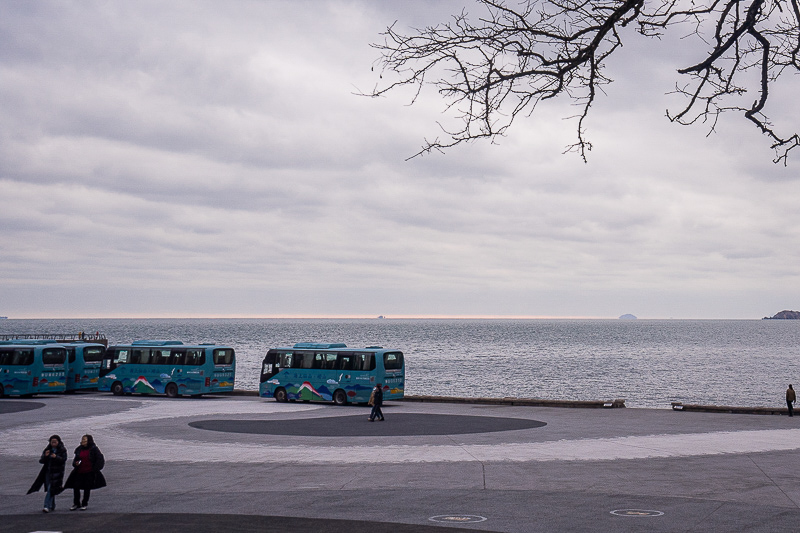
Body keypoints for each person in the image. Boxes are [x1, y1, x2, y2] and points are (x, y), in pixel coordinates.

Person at [63, 434, 106, 511]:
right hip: (79, 471)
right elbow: (75, 459)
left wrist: (95, 469)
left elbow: (100, 459)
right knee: (76, 487)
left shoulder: (94, 449)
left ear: (89, 441)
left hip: (89, 472)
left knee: (87, 488)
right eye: (82, 440)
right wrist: (75, 463)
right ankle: (76, 503)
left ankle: (84, 503)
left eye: (85, 440)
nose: (83, 441)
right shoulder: (79, 449)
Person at [27, 434, 67, 513]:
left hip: (57, 473)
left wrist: (56, 457)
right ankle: (52, 505)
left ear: (58, 442)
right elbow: (41, 461)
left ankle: (46, 506)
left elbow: (64, 459)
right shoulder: (48, 449)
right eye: (52, 442)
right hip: (47, 472)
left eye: (55, 442)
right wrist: (45, 456)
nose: (53, 443)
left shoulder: (62, 450)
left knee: (50, 489)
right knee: (51, 489)